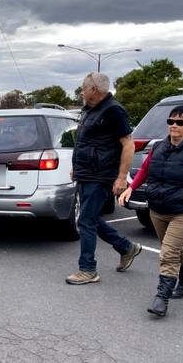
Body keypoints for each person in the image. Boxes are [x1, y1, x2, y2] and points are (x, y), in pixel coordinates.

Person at [66, 72, 141, 285]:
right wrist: (76, 168)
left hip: (101, 175)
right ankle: (127, 247)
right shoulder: (89, 110)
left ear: (95, 90)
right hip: (86, 173)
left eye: (83, 87)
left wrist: (121, 177)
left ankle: (88, 269)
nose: (81, 91)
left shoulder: (114, 111)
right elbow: (85, 142)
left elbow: (128, 144)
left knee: (87, 221)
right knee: (90, 218)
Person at [118, 105, 183, 316]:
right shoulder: (159, 146)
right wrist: (130, 188)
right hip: (157, 208)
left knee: (168, 253)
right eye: (171, 121)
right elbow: (145, 169)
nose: (174, 126)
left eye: (181, 122)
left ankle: (162, 297)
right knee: (173, 247)